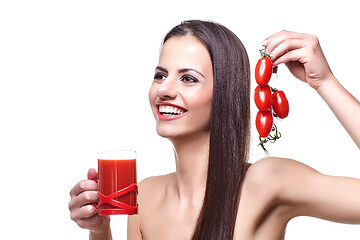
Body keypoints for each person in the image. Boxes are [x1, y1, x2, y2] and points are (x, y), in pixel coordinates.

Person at [68, 20, 360, 240]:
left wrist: (325, 82)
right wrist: (100, 231)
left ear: (226, 94)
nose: (165, 89)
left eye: (189, 79)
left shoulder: (266, 182)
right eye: (161, 75)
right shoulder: (145, 195)